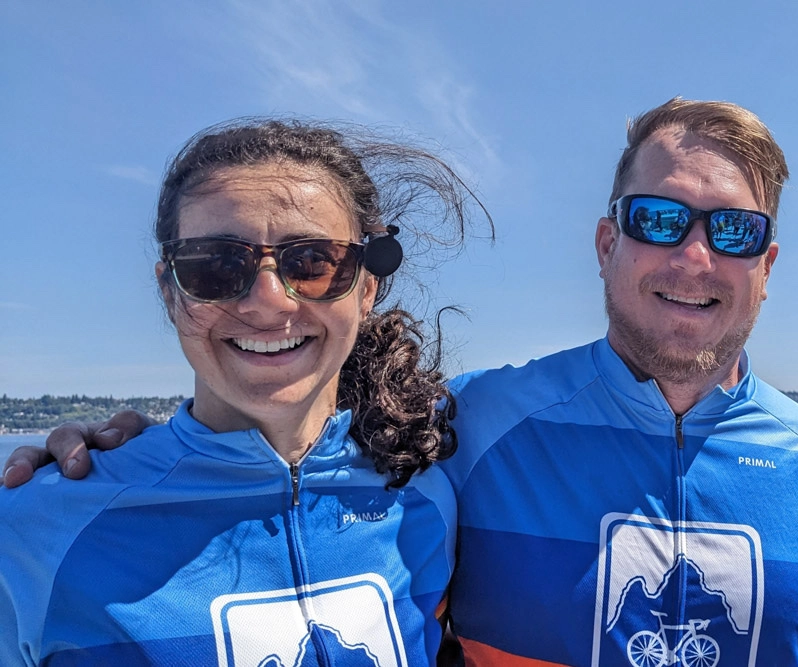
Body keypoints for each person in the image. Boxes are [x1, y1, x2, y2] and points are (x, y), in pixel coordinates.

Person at [4, 98, 798, 666]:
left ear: (767, 264)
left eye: (732, 231)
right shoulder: (472, 432)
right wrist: (110, 455)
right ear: (608, 246)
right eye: (658, 218)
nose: (268, 300)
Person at [0, 117, 490, 666]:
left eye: (312, 262)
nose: (268, 301)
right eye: (215, 265)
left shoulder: (428, 496)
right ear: (169, 291)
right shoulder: (33, 529)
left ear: (366, 287)